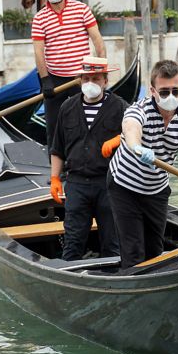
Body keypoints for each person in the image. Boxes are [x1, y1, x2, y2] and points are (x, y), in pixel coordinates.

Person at [106, 60, 178, 268]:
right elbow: (131, 128)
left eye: (176, 91)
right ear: (152, 91)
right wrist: (137, 148)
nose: (171, 97)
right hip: (124, 186)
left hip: (157, 188)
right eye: (164, 92)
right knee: (133, 252)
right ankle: (133, 283)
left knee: (155, 251)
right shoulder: (139, 109)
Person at [49, 56, 127, 261]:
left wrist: (120, 138)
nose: (90, 83)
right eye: (86, 79)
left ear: (105, 81)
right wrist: (55, 178)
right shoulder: (67, 108)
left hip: (109, 183)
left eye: (96, 79)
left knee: (113, 243)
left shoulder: (120, 107)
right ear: (80, 80)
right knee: (73, 242)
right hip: (76, 184)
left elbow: (138, 134)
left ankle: (116, 276)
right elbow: (58, 148)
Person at [31, 0, 107, 151]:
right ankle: (56, 166)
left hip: (82, 78)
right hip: (55, 79)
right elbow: (38, 52)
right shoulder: (39, 18)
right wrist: (45, 79)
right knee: (54, 127)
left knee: (87, 122)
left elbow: (97, 40)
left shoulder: (82, 10)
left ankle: (88, 159)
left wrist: (100, 72)